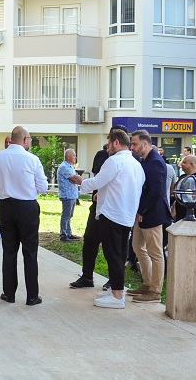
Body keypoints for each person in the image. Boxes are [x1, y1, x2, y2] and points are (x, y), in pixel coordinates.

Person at [69, 128, 144, 309]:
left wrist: (80, 181)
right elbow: (124, 186)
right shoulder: (136, 164)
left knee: (113, 255)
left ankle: (117, 296)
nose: (107, 147)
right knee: (118, 253)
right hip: (126, 214)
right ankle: (116, 291)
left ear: (116, 143)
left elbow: (97, 181)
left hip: (112, 214)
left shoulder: (114, 161)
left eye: (109, 143)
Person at [0, 126, 48, 306]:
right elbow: (43, 187)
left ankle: (9, 293)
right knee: (30, 252)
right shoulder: (32, 159)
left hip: (6, 206)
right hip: (27, 207)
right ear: (25, 140)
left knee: (9, 251)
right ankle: (32, 296)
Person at [69, 124, 128, 290]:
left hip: (115, 207)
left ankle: (114, 280)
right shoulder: (103, 155)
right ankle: (87, 276)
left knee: (116, 247)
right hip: (98, 205)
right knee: (90, 239)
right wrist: (99, 191)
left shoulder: (126, 159)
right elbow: (98, 176)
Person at [127, 130, 170, 303]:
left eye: (135, 144)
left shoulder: (156, 162)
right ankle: (147, 283)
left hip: (152, 214)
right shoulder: (145, 160)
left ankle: (155, 291)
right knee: (138, 247)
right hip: (142, 214)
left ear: (145, 144)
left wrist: (141, 211)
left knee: (155, 253)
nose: (132, 147)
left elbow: (156, 192)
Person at [56, 148, 80, 242]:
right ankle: (63, 234)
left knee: (70, 215)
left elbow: (76, 178)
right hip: (67, 195)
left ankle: (69, 233)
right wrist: (77, 178)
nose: (75, 157)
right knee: (66, 215)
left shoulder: (70, 166)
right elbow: (74, 179)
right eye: (74, 155)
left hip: (72, 194)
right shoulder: (64, 167)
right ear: (68, 157)